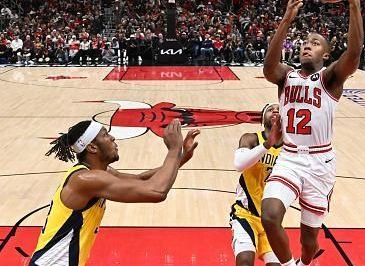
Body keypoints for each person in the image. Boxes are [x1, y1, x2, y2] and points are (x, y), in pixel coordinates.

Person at [261, 0, 363, 266]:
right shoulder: (285, 76)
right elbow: (269, 66)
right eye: (305, 42)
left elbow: (354, 54)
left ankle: (307, 262)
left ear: (327, 55)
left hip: (320, 164)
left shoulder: (330, 79)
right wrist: (286, 20)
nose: (307, 44)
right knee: (270, 215)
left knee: (309, 241)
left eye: (316, 42)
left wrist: (354, 2)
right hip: (290, 158)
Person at [30, 119, 199, 266]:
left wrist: (181, 157)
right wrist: (174, 149)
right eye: (105, 135)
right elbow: (156, 191)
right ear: (92, 147)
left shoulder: (99, 173)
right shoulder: (85, 179)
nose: (112, 137)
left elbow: (140, 180)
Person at [230, 103, 283, 266]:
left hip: (271, 220)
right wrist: (268, 144)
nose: (275, 111)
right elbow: (239, 164)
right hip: (245, 214)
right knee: (245, 261)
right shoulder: (251, 139)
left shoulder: (290, 148)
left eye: (279, 110)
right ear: (262, 118)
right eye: (270, 109)